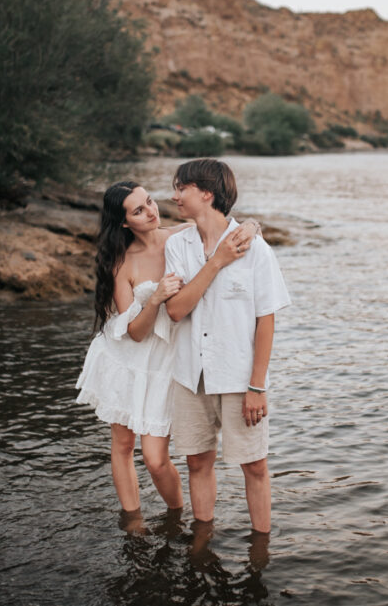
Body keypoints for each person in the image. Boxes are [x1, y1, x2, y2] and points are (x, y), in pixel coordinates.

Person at [75, 180, 259, 532]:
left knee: (157, 460)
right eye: (139, 210)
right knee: (124, 443)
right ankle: (133, 521)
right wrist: (156, 297)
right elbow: (136, 332)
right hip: (129, 358)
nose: (152, 211)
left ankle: (176, 516)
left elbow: (227, 227)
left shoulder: (183, 234)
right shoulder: (121, 264)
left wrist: (251, 226)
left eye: (150, 202)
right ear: (124, 222)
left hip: (169, 359)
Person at [164, 159, 291, 535]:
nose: (174, 196)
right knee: (197, 463)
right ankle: (202, 540)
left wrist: (257, 385)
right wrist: (217, 262)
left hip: (239, 379)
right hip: (191, 375)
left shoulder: (257, 250)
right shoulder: (177, 246)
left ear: (206, 193)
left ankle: (260, 547)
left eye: (181, 188)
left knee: (254, 465)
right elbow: (175, 311)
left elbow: (265, 320)